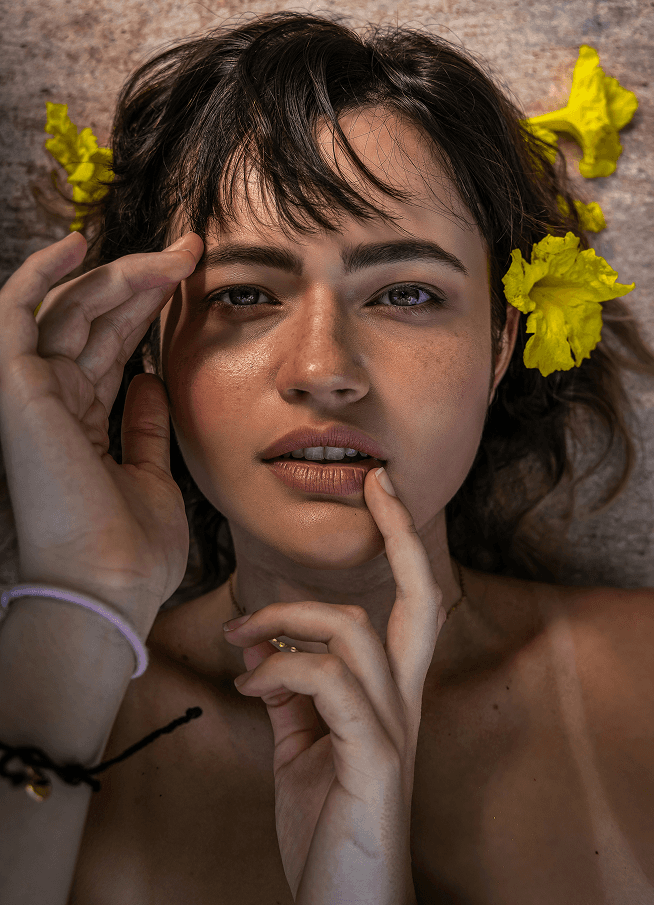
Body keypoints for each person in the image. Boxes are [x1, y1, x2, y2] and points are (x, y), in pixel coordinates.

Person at [1, 10, 653, 905]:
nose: (321, 370)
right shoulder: (50, 709)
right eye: (244, 295)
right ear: (147, 340)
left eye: (406, 293)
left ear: (501, 344)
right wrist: (82, 588)